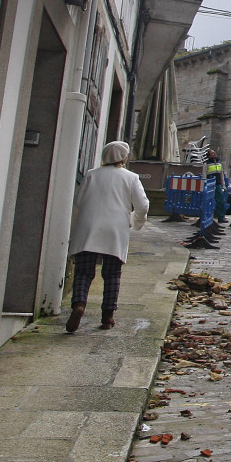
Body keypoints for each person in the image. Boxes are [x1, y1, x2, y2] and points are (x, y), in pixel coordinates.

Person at [65, 140, 149, 333]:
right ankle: (107, 316)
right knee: (112, 275)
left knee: (83, 272)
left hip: (89, 228)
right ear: (124, 157)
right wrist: (136, 221)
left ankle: (79, 304)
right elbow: (143, 205)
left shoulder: (91, 175)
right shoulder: (131, 177)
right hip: (114, 229)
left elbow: (79, 200)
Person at [206, 148, 227, 223]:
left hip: (218, 184)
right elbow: (203, 175)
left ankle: (221, 217)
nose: (214, 154)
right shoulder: (206, 163)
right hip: (209, 185)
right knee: (208, 202)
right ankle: (207, 217)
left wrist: (223, 185)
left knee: (221, 201)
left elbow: (221, 175)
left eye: (214, 152)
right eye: (211, 153)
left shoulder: (219, 163)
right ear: (208, 156)